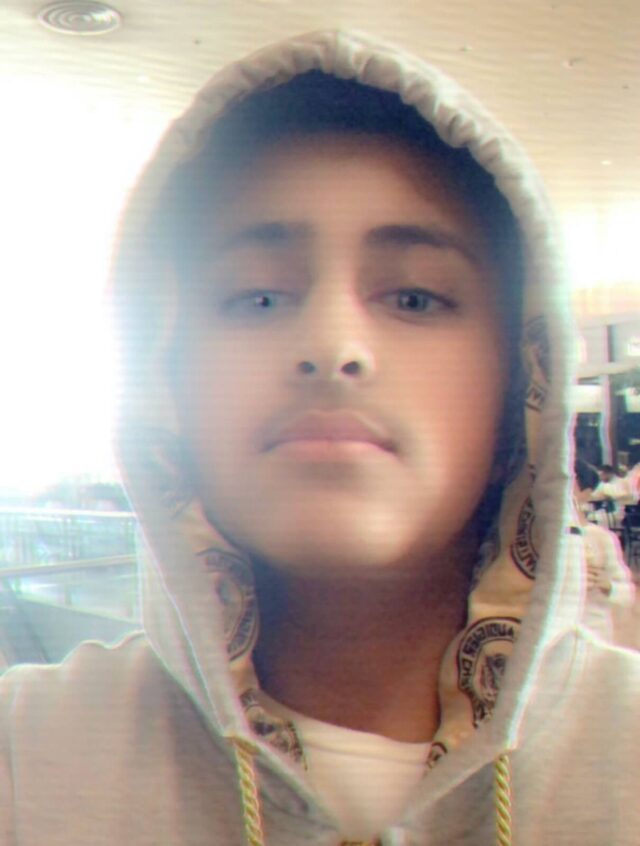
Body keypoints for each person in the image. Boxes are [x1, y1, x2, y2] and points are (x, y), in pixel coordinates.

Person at [1, 29, 640, 846]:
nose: (334, 347)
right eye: (258, 297)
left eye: (414, 298)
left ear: (522, 377)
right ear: (163, 374)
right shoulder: (25, 759)